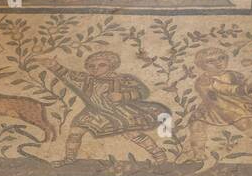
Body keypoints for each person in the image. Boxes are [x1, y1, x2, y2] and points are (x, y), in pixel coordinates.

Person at [43, 49, 172, 164]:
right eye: (91, 66)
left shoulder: (121, 79)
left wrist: (123, 96)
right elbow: (67, 74)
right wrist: (54, 66)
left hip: (119, 110)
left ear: (111, 66)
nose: (95, 68)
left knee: (131, 133)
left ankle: (158, 154)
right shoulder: (84, 79)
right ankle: (69, 159)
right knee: (76, 131)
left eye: (102, 65)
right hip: (94, 112)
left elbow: (143, 91)